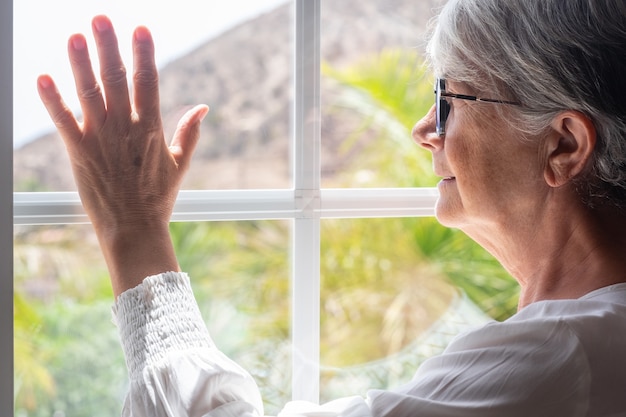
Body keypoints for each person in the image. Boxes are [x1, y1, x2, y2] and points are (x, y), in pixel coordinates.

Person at [36, 0, 626, 415]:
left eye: (449, 100)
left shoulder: (558, 357)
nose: (424, 129)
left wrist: (133, 228)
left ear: (564, 144)